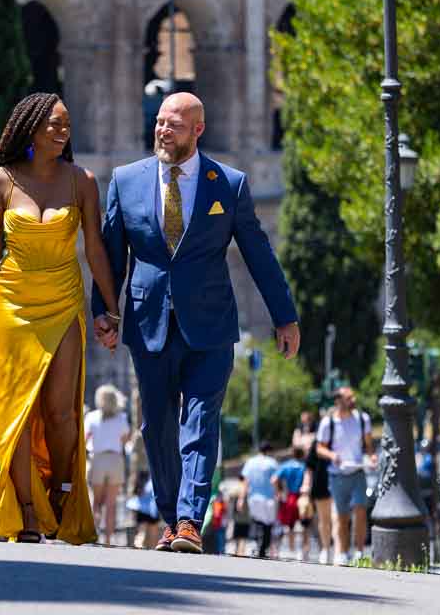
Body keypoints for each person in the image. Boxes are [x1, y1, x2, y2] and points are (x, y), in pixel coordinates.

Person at [91, 92, 301, 553]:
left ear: (198, 130)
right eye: (161, 123)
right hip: (148, 323)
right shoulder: (126, 181)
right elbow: (110, 254)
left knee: (200, 420)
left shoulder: (228, 184)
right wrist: (103, 311)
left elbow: (258, 254)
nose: (164, 131)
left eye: (175, 125)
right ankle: (171, 518)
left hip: (210, 325)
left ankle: (189, 520)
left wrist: (284, 317)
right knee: (157, 427)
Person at [0, 92, 122, 545]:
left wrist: (110, 308)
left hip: (63, 302)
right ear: (30, 127)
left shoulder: (82, 181)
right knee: (17, 413)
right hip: (12, 306)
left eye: (67, 124)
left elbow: (94, 247)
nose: (62, 131)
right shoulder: (2, 181)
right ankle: (29, 513)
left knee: (60, 415)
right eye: (54, 124)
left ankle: (60, 492)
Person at [316, 387, 376, 564]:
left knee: (360, 509)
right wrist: (332, 455)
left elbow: (369, 445)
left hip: (358, 471)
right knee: (342, 516)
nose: (353, 400)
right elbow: (319, 448)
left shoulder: (362, 419)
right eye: (349, 398)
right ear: (338, 401)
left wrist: (372, 456)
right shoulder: (329, 423)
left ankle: (358, 550)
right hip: (337, 475)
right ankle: (342, 551)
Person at [83, 384, 129, 545]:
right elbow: (125, 440)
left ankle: (94, 534)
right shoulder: (121, 418)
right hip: (115, 460)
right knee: (111, 503)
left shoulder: (92, 417)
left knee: (96, 501)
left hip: (98, 459)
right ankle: (109, 538)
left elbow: (85, 438)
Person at [298, 408, 334, 563]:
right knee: (325, 519)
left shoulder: (342, 441)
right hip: (321, 484)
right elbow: (309, 468)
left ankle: (338, 549)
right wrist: (306, 488)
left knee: (338, 518)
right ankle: (326, 549)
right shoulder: (316, 443)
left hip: (339, 482)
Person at [239, 441, 280, 558]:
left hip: (254, 498)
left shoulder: (250, 462)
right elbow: (275, 480)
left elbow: (245, 482)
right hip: (269, 499)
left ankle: (256, 545)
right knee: (268, 525)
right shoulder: (273, 463)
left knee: (257, 522)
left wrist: (241, 499)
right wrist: (278, 494)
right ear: (269, 451)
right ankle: (263, 549)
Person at [274, 445, 307, 559]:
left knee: (288, 525)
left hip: (288, 497)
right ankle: (302, 550)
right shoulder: (304, 467)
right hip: (302, 497)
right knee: (304, 525)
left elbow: (274, 479)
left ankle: (290, 548)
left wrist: (279, 492)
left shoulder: (286, 466)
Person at [125, 470, 159, 549]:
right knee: (151, 534)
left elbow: (135, 491)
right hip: (152, 508)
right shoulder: (154, 477)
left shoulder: (142, 476)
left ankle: (139, 548)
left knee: (142, 533)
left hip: (143, 507)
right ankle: (151, 550)